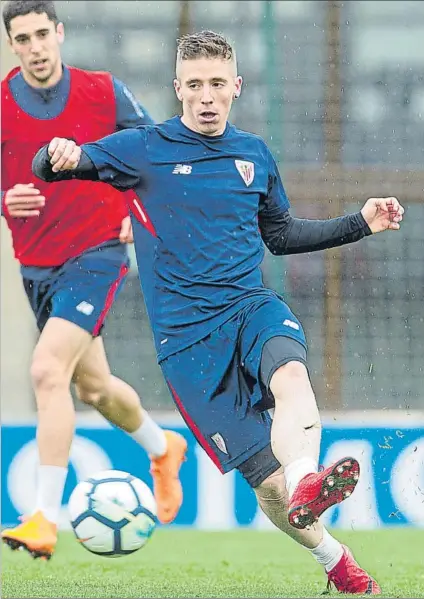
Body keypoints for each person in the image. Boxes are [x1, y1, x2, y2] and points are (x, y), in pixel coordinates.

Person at [31, 30, 404, 593]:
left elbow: (279, 235)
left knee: (291, 374)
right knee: (269, 490)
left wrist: (358, 222)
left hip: (249, 307)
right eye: (195, 86)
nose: (207, 97)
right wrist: (52, 153)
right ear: (178, 88)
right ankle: (334, 559)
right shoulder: (144, 146)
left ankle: (310, 478)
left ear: (236, 87)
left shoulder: (253, 154)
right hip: (187, 347)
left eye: (217, 85)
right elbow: (55, 166)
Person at [1, 0, 187, 560]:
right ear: (12, 46)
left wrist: (138, 213)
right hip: (37, 265)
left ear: (59, 33)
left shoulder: (104, 92)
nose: (35, 47)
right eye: (22, 39)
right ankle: (163, 447)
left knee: (45, 370)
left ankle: (43, 518)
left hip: (97, 253)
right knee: (94, 388)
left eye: (41, 34)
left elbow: (156, 152)